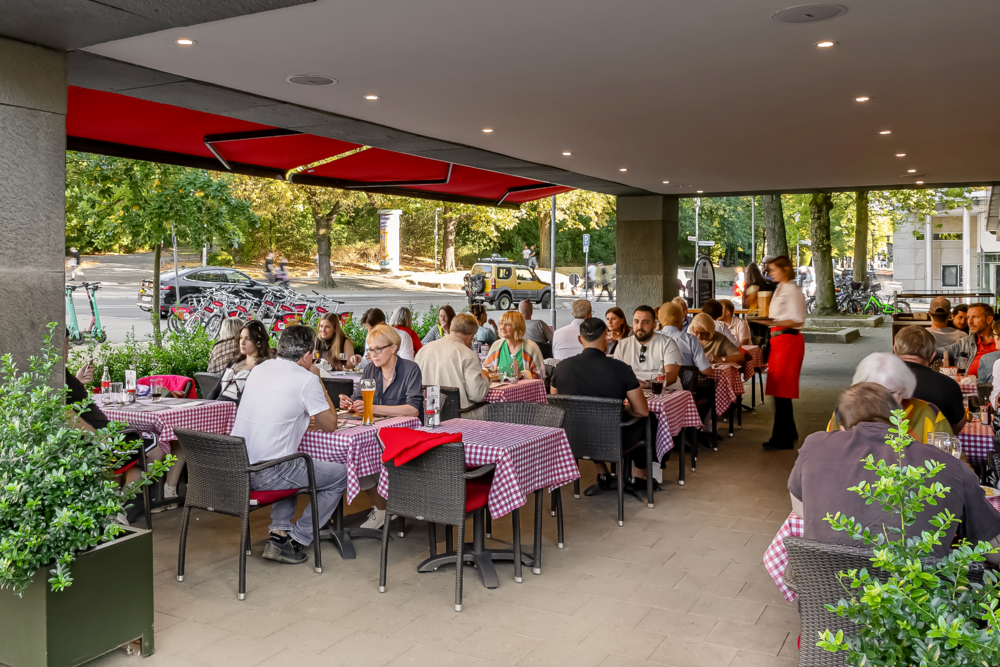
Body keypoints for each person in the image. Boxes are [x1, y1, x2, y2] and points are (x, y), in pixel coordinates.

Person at [790, 382, 1000, 563]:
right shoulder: (952, 467)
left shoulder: (814, 445)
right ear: (898, 422)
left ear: (843, 427)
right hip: (917, 605)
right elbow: (994, 551)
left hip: (827, 601)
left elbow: (800, 507)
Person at [231, 325, 346, 564]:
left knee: (291, 457)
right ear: (306, 356)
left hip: (237, 467)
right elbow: (330, 425)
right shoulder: (306, 379)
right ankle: (299, 537)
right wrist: (318, 381)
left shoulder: (260, 369)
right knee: (341, 476)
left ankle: (279, 534)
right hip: (268, 473)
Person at [549, 317, 652, 494]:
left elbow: (555, 408)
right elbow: (641, 410)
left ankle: (602, 473)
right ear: (606, 338)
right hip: (614, 438)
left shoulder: (561, 368)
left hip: (574, 439)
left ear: (580, 339)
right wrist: (622, 410)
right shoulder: (621, 369)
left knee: (590, 420)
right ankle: (638, 475)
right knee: (649, 419)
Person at [339, 324, 423, 529]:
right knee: (355, 454)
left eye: (378, 349)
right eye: (370, 349)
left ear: (393, 347)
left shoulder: (410, 369)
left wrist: (374, 407)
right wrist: (350, 403)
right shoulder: (370, 369)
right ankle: (382, 507)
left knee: (363, 453)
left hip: (403, 435)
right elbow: (359, 399)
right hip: (375, 432)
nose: (372, 354)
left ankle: (386, 507)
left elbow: (413, 410)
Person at [827, 352, 953, 443]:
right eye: (872, 394)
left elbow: (953, 464)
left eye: (890, 393)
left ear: (904, 390)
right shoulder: (843, 415)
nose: (881, 402)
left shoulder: (928, 415)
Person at [762, 255, 806, 451]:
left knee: (782, 391)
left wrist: (772, 322)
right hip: (779, 341)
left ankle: (783, 437)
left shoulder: (793, 290)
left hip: (788, 341)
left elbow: (797, 320)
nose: (771, 273)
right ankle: (787, 431)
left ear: (785, 269)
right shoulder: (780, 288)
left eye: (773, 269)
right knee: (778, 390)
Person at [894, 326, 965, 432]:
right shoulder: (949, 385)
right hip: (933, 446)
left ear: (895, 350)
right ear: (933, 355)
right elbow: (956, 427)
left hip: (888, 446)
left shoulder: (879, 381)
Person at [415, 313, 490, 409]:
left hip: (427, 414)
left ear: (451, 329)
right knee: (493, 412)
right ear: (471, 336)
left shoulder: (423, 350)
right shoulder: (468, 354)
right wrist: (485, 376)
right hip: (460, 415)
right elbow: (477, 395)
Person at [614, 305, 681, 389]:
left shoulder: (667, 343)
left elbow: (672, 375)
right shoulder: (622, 345)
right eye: (636, 321)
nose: (639, 326)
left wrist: (648, 385)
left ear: (654, 325)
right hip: (633, 391)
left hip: (664, 392)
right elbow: (616, 373)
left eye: (645, 322)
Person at [209, 320, 275, 403]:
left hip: (239, 411)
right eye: (241, 338)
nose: (242, 343)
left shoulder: (262, 367)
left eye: (248, 339)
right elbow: (216, 390)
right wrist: (204, 406)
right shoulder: (233, 362)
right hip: (218, 408)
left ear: (258, 342)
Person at [483, 311, 545, 379]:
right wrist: (485, 372)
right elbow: (486, 368)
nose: (502, 327)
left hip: (524, 389)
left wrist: (522, 375)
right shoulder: (497, 345)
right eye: (501, 323)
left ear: (517, 326)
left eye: (507, 324)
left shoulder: (531, 347)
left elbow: (540, 376)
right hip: (501, 389)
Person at [938, 303, 996, 376]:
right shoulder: (965, 342)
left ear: (989, 319)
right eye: (968, 317)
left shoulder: (998, 341)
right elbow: (941, 352)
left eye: (975, 317)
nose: (969, 322)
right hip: (971, 386)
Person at [657, 302, 711, 376]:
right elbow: (707, 371)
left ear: (661, 319)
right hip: (684, 386)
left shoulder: (652, 338)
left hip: (654, 384)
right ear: (680, 319)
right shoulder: (691, 340)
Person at [349, 308, 414, 367]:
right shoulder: (371, 336)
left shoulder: (402, 336)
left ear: (382, 323)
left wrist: (380, 358)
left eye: (372, 329)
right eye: (367, 330)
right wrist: (359, 360)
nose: (370, 333)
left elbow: (407, 364)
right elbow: (367, 363)